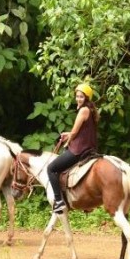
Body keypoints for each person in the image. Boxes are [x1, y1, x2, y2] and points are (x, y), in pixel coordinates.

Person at [47, 83, 99, 213]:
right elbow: (79, 131)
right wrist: (68, 134)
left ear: (86, 98)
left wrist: (68, 139)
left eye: (81, 97)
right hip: (88, 147)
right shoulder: (90, 109)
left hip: (79, 150)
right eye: (77, 96)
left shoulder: (83, 110)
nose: (78, 99)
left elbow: (75, 132)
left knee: (51, 169)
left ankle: (58, 201)